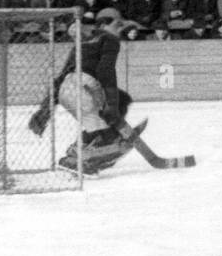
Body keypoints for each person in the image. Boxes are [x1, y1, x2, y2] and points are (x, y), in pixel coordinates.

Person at [28, 9, 146, 175]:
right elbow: (106, 73)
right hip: (83, 90)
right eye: (117, 26)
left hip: (67, 91)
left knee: (121, 102)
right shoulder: (109, 39)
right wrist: (111, 106)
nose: (120, 30)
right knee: (112, 117)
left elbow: (62, 76)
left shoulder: (83, 43)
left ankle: (79, 151)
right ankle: (93, 154)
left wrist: (45, 109)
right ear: (103, 25)